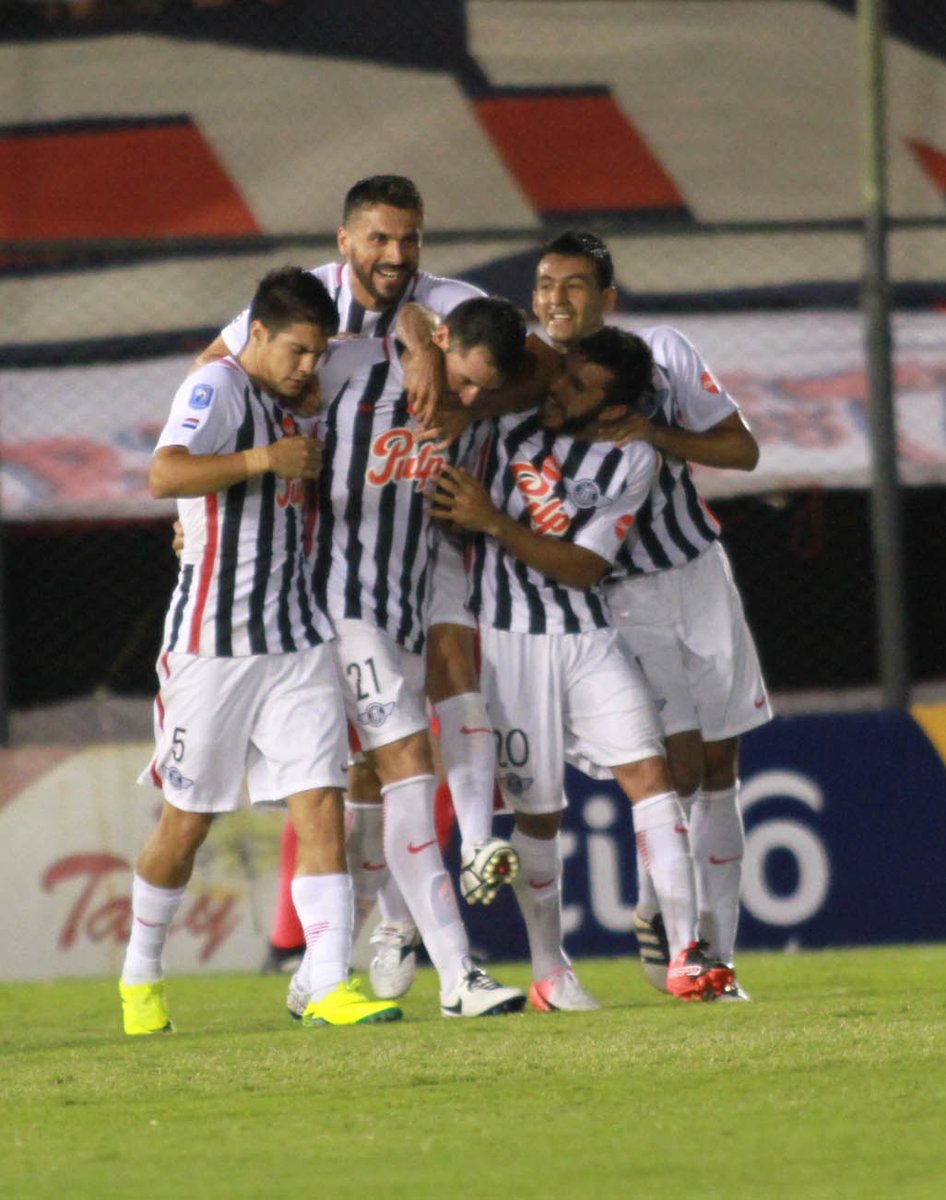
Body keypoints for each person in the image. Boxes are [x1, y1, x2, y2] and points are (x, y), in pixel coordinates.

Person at [197, 175, 517, 978]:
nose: (396, 255)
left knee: (368, 768)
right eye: (378, 239)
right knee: (369, 766)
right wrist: (194, 517)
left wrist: (455, 385)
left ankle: (346, 955)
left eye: (409, 240)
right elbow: (213, 381)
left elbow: (531, 370)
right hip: (323, 573)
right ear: (345, 242)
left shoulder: (451, 304)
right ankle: (439, 960)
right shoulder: (308, 317)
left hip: (428, 541)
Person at [119, 267, 401, 1034]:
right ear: (258, 336)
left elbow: (405, 333)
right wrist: (258, 462)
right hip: (212, 644)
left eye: (318, 353)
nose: (309, 367)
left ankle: (325, 982)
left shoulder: (300, 393)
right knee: (187, 822)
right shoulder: (216, 388)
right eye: (297, 351)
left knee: (321, 802)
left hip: (296, 637)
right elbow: (162, 473)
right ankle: (140, 978)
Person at [431, 325, 736, 1008]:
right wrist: (462, 517)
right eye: (564, 375)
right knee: (539, 815)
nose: (555, 390)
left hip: (589, 635)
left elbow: (584, 567)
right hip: (509, 645)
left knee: (652, 778)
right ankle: (550, 970)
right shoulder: (507, 424)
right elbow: (448, 504)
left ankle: (687, 952)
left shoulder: (632, 461)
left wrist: (494, 523)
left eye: (576, 388)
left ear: (615, 409)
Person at [531, 230, 771, 999]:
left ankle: (716, 959)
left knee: (723, 768)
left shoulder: (663, 351)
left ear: (607, 298)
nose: (556, 299)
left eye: (573, 285)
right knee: (675, 768)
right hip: (618, 596)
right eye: (544, 285)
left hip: (699, 573)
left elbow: (743, 451)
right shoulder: (526, 378)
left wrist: (656, 433)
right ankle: (677, 928)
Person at [286, 293, 530, 1019]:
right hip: (342, 608)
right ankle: (459, 975)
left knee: (371, 787)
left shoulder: (466, 410)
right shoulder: (350, 367)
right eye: (463, 380)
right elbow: (260, 393)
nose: (467, 398)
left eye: (482, 389)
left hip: (406, 606)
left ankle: (315, 975)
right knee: (408, 771)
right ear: (440, 341)